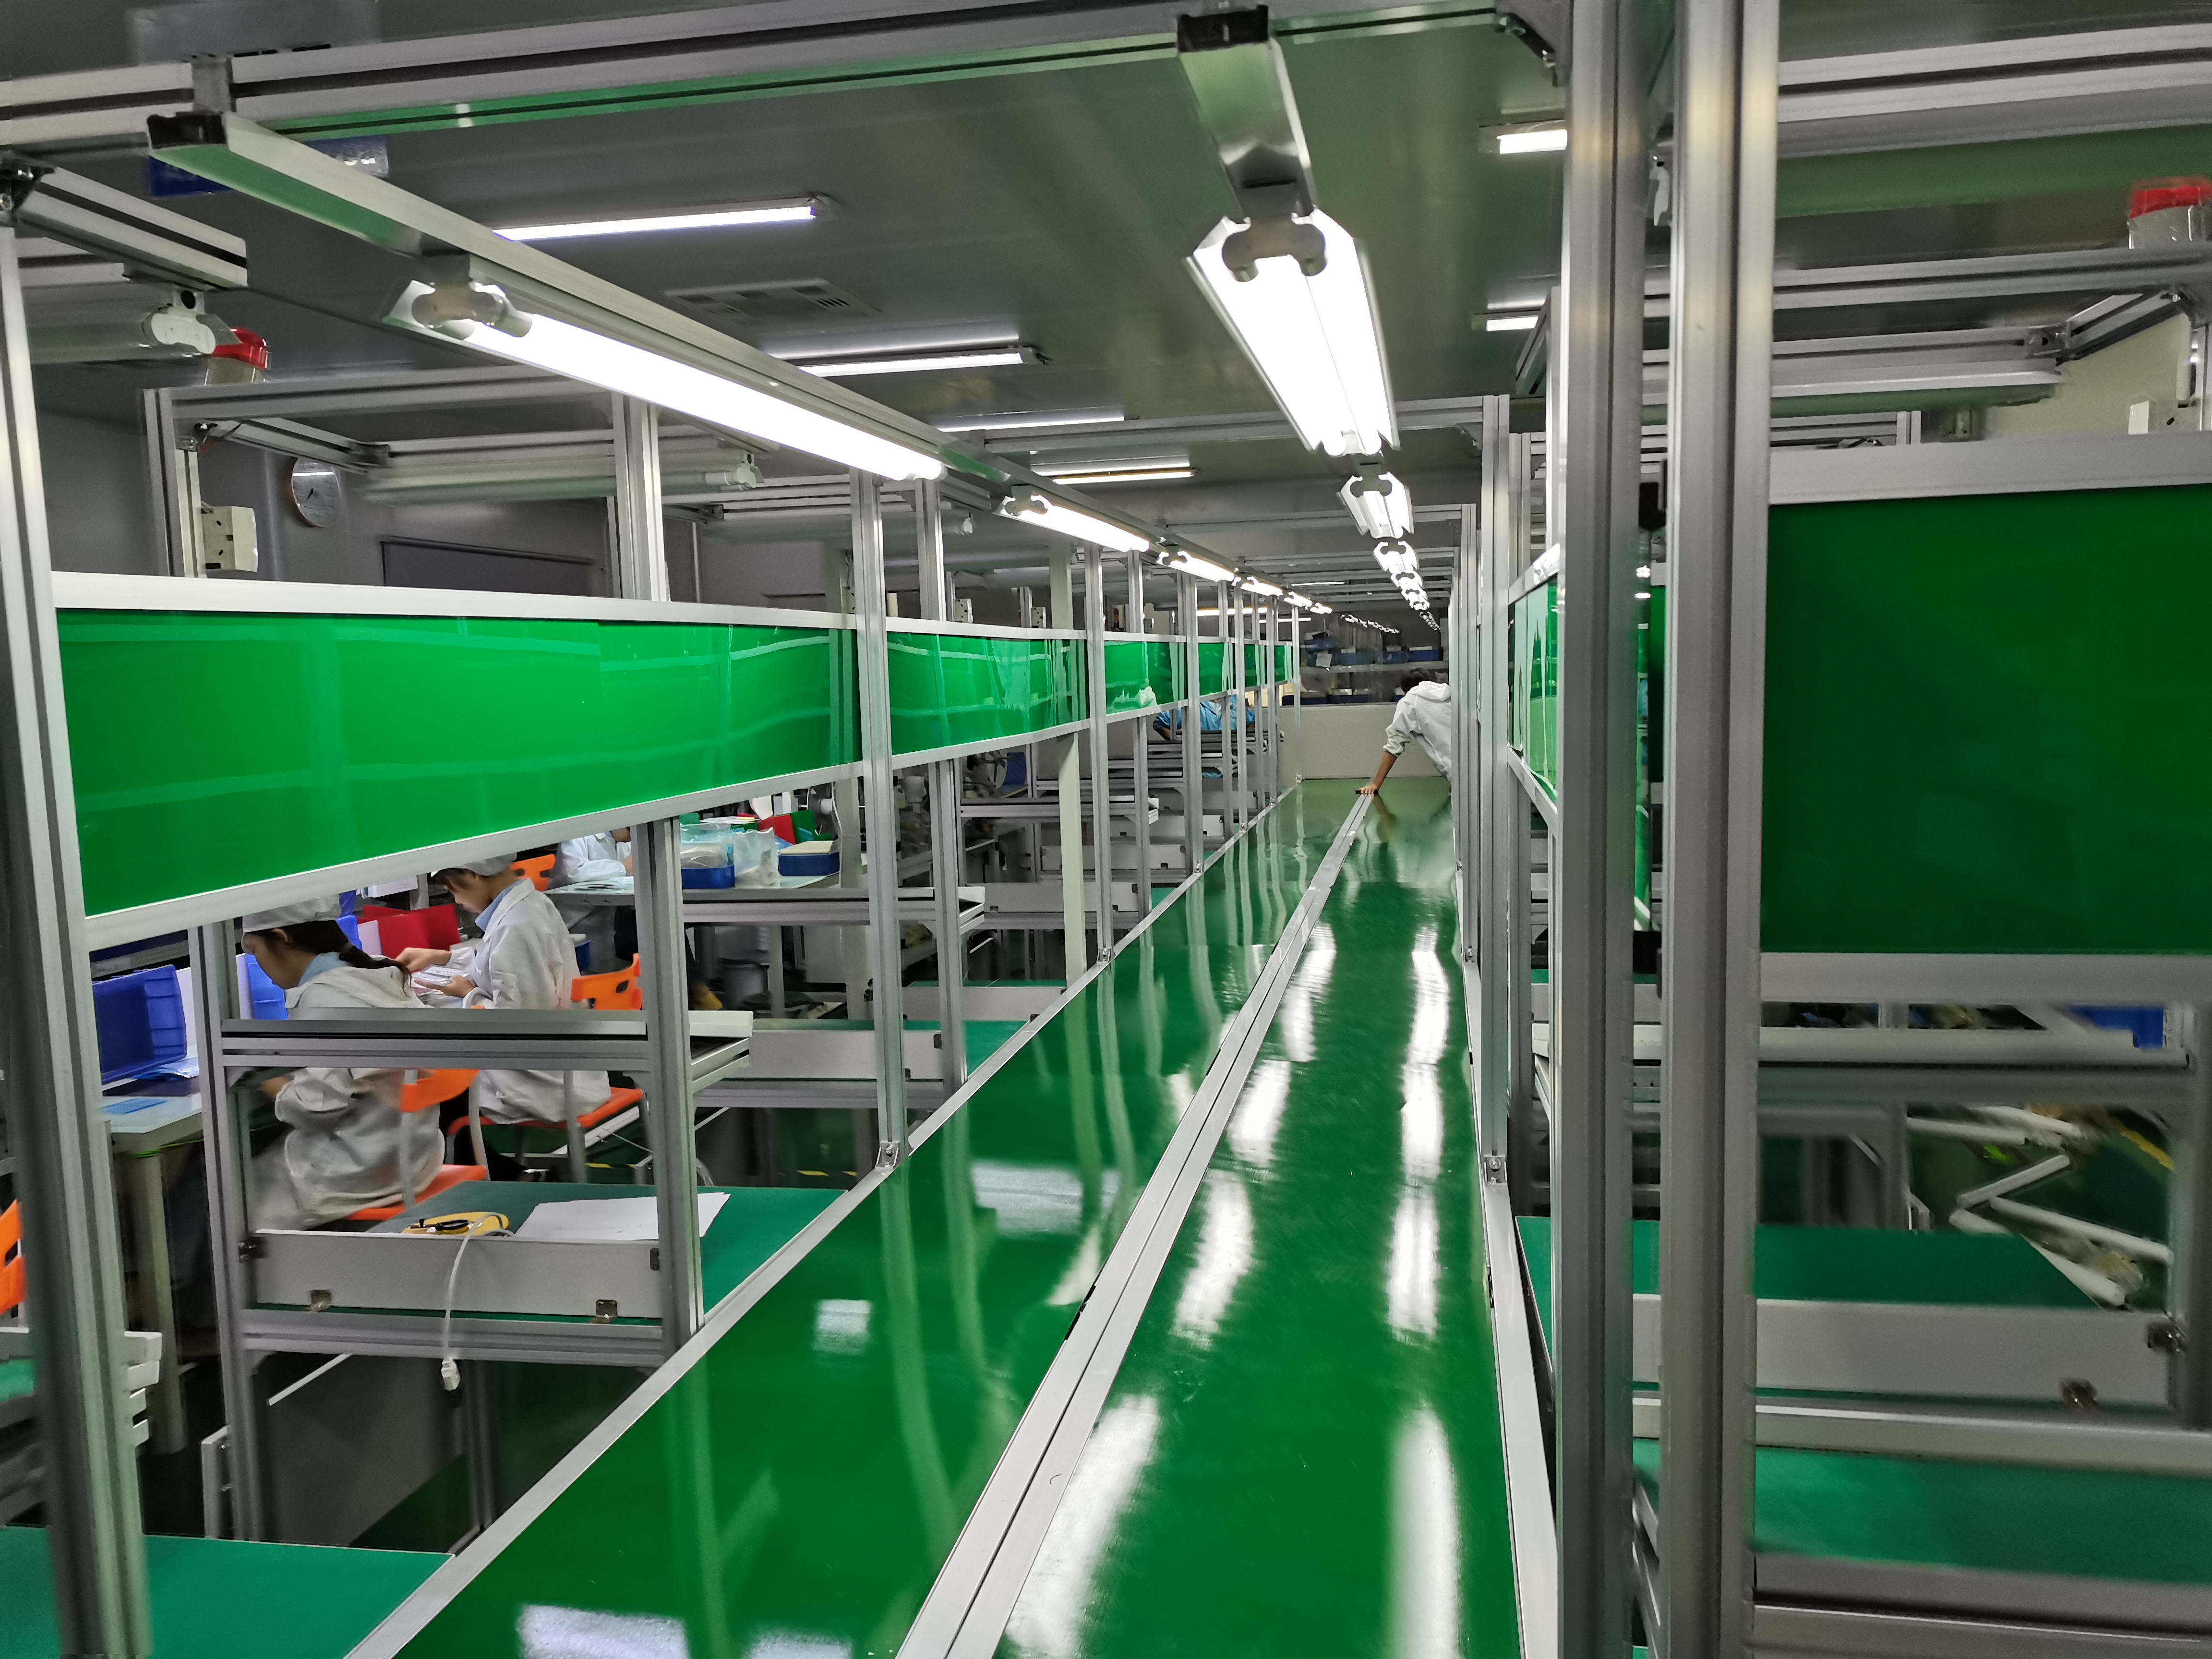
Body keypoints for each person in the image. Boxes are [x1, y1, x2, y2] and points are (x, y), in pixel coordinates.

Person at [239, 898, 441, 1229]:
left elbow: (316, 1109)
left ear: (281, 937)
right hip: (411, 1158)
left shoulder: (323, 997)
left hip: (356, 1172)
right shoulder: (377, 973)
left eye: (254, 951)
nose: (258, 963)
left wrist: (263, 1078)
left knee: (217, 1177)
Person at [396, 855, 609, 1130]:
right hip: (563, 1063)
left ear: (471, 873)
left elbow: (516, 1026)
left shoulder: (515, 926)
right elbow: (497, 965)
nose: (457, 901)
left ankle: (471, 1154)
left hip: (535, 1079)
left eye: (452, 890)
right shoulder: (531, 904)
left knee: (430, 1084)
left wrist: (469, 994)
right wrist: (442, 958)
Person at [1360, 670, 1453, 794]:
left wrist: (1375, 784)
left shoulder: (1409, 702)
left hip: (1455, 774)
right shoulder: (1449, 692)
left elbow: (1394, 745)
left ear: (1404, 691)